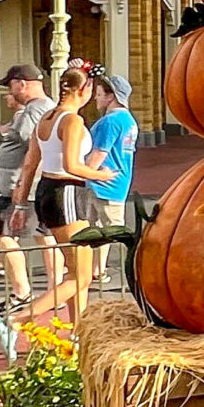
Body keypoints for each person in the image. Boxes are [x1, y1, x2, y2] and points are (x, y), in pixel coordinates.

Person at [0, 66, 110, 352]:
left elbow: (30, 163)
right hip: (67, 192)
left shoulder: (44, 119)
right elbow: (72, 164)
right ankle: (17, 319)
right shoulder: (70, 120)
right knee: (82, 276)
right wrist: (100, 175)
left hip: (47, 191)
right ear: (82, 91)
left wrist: (20, 203)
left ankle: (80, 334)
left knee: (74, 270)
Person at [0, 65, 55, 307]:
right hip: (27, 187)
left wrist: (23, 188)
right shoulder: (37, 109)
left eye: (11, 85)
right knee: (44, 237)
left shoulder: (36, 110)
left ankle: (22, 293)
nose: (10, 91)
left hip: (22, 189)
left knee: (3, 237)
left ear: (22, 83)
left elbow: (33, 150)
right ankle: (55, 291)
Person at [82, 66, 139, 285]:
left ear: (110, 96)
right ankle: (99, 268)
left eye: (99, 95)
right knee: (101, 229)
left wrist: (81, 171)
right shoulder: (129, 120)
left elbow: (99, 153)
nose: (96, 100)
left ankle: (137, 268)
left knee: (114, 230)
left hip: (103, 182)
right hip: (118, 180)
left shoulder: (110, 121)